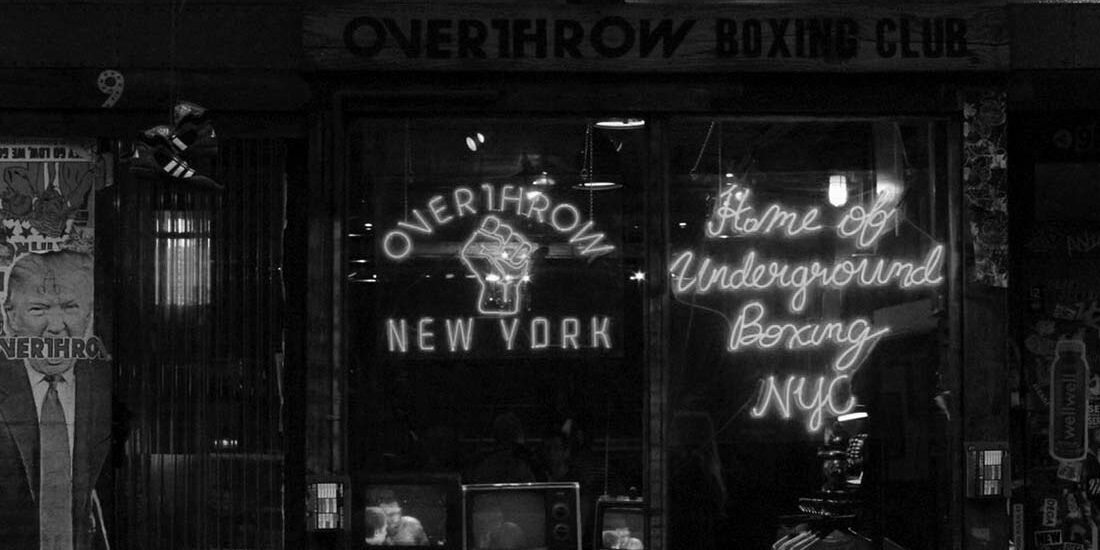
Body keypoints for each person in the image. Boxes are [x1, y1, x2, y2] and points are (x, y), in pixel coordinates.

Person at [0, 250, 110, 550]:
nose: (57, 326)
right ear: (10, 316)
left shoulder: (107, 385)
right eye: (39, 309)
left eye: (71, 307)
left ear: (88, 315)